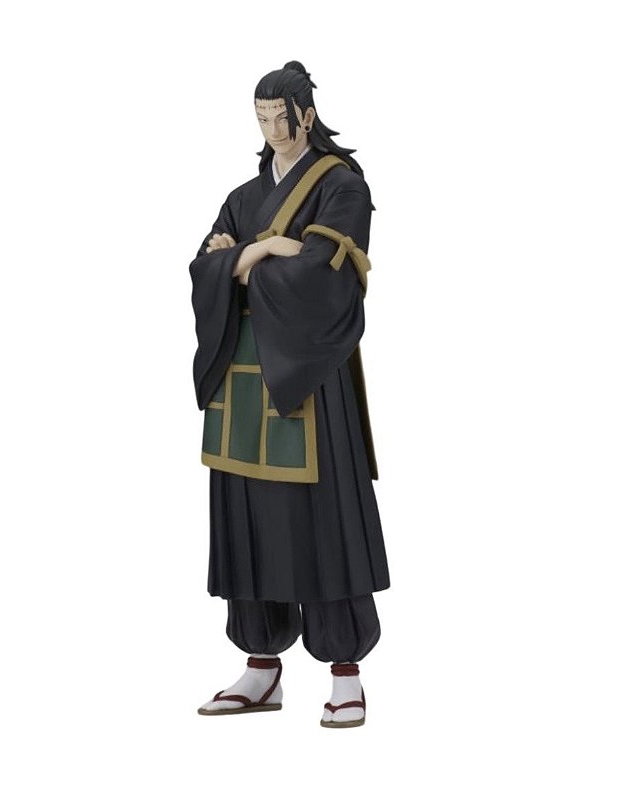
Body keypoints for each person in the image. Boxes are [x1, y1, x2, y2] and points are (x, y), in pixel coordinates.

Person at [189, 61, 390, 728]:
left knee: (321, 521)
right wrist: (261, 249)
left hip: (309, 375)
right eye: (261, 118)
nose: (272, 129)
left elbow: (323, 278)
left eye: (282, 116)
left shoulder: (342, 186)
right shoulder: (244, 196)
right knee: (246, 516)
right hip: (240, 378)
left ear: (307, 115)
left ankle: (345, 673)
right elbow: (204, 266)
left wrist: (240, 261)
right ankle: (260, 665)